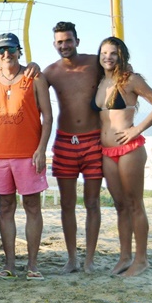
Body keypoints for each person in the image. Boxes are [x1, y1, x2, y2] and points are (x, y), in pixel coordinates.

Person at [0, 33, 52, 281]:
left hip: (28, 155)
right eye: (1, 50)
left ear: (19, 51)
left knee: (32, 206)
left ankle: (32, 264)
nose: (6, 54)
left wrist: (41, 149)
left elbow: (47, 117)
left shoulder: (35, 77)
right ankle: (10, 263)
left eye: (11, 49)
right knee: (5, 207)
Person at [95, 37, 152, 277]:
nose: (108, 57)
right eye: (104, 52)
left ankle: (141, 259)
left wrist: (137, 129)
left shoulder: (130, 80)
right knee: (120, 206)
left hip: (129, 149)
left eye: (113, 53)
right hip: (107, 152)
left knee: (135, 204)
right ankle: (125, 257)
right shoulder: (101, 82)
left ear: (121, 55)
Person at [43, 21, 104, 273]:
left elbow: (120, 71)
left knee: (92, 202)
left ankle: (89, 259)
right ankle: (72, 258)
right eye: (60, 42)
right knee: (67, 204)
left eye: (68, 40)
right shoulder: (50, 72)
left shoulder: (95, 63)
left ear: (77, 41)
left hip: (93, 140)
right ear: (54, 44)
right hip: (65, 142)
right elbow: (26, 87)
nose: (64, 45)